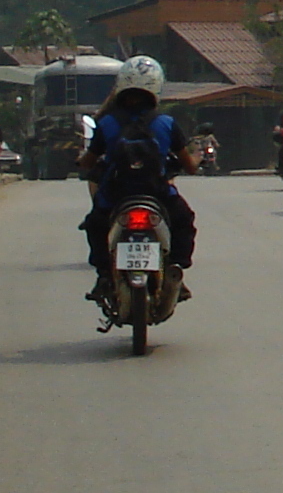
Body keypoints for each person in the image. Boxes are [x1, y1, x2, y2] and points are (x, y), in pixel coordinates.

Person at [78, 57, 197, 307]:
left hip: (116, 196)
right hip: (158, 194)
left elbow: (88, 161)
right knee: (184, 220)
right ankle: (175, 268)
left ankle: (103, 277)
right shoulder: (166, 123)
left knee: (95, 225)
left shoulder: (107, 123)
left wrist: (83, 161)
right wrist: (195, 160)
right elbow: (189, 165)